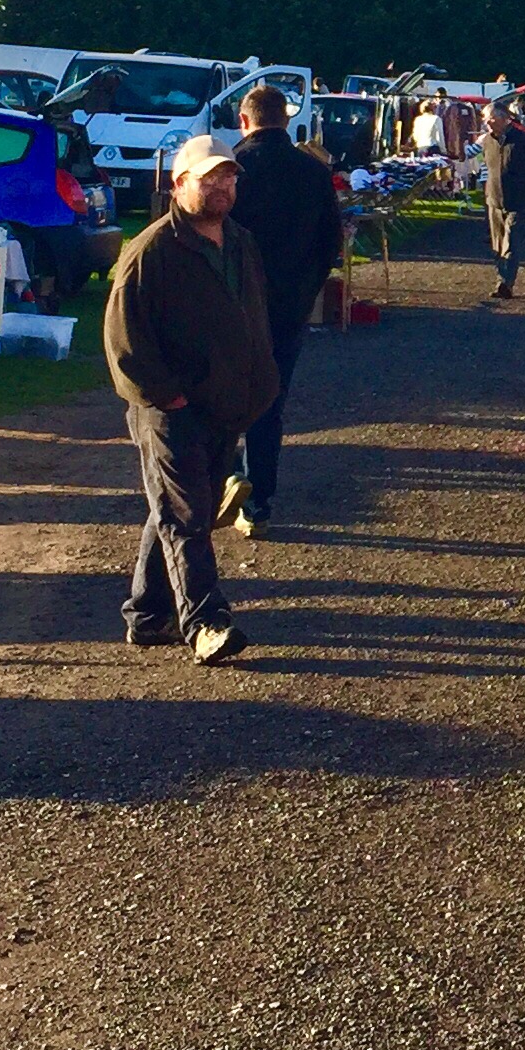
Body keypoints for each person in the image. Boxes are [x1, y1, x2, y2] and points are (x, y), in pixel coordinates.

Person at [103, 137, 280, 664]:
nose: (222, 186)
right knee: (187, 515)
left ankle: (148, 613)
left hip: (226, 406)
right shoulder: (151, 250)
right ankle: (206, 623)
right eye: (209, 178)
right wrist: (165, 395)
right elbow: (122, 338)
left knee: (177, 510)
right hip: (168, 409)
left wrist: (260, 383)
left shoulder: (241, 243)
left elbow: (253, 318)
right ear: (179, 184)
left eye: (228, 177)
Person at [223, 85, 341, 534]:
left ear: (244, 119)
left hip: (234, 303)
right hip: (290, 305)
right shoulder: (312, 171)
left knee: (220, 394)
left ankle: (224, 479)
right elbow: (331, 240)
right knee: (269, 402)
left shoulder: (235, 167)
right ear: (287, 120)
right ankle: (260, 502)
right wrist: (308, 287)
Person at [479, 98, 525, 300]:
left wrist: (522, 183)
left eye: (491, 119)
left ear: (504, 119)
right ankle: (502, 278)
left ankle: (505, 283)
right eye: (486, 119)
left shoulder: (523, 139)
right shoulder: (487, 141)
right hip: (494, 199)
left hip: (518, 199)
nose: (487, 123)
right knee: (498, 243)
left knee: (512, 241)